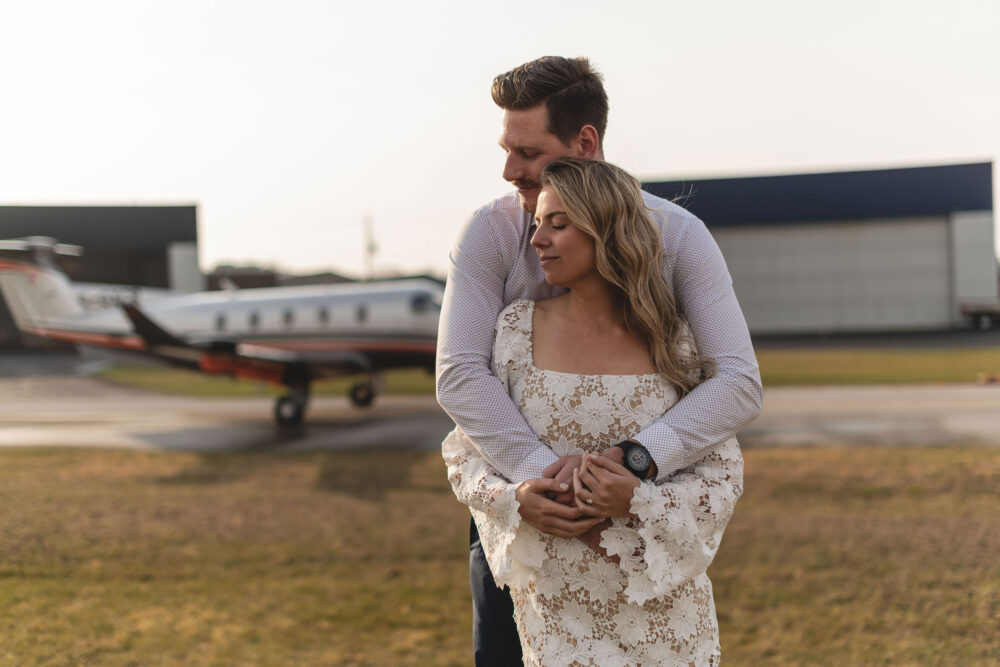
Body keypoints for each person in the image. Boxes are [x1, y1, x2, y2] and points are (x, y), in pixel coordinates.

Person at [436, 56, 762, 665]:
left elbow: (737, 380)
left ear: (585, 143)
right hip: (524, 512)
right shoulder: (489, 231)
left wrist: (636, 463)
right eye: (507, 149)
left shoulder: (681, 237)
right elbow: (458, 373)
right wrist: (547, 483)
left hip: (642, 518)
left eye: (528, 153)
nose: (510, 170)